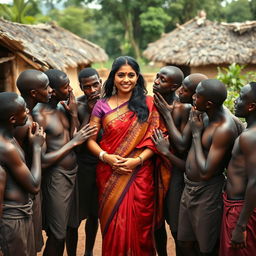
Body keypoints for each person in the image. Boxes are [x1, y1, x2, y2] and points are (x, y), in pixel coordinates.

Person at [87, 56, 161, 255]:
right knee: (113, 227)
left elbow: (155, 139)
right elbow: (90, 140)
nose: (126, 79)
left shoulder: (149, 104)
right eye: (121, 75)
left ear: (138, 77)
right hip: (109, 172)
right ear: (113, 77)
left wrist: (136, 161)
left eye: (131, 75)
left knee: (141, 227)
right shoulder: (101, 105)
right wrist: (106, 157)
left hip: (140, 174)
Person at [32, 69, 97, 256]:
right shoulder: (39, 115)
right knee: (57, 234)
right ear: (51, 90)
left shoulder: (63, 108)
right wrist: (73, 142)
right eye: (65, 86)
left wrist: (75, 115)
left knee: (71, 226)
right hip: (56, 178)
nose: (70, 89)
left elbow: (76, 141)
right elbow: (42, 161)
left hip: (73, 174)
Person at [178, 79, 240, 256]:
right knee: (184, 242)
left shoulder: (223, 128)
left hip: (207, 191)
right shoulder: (204, 114)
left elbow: (206, 172)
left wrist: (197, 135)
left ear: (209, 103)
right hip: (188, 186)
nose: (193, 97)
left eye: (197, 96)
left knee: (206, 247)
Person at [0, 92, 45, 256]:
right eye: (24, 110)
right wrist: (37, 148)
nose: (27, 111)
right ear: (12, 119)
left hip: (21, 213)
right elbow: (34, 186)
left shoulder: (10, 138)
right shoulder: (6, 147)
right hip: (13, 218)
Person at [15, 69, 52, 253]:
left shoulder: (26, 115)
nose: (50, 90)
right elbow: (41, 161)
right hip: (26, 189)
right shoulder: (26, 123)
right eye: (46, 87)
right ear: (34, 93)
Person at [66, 67, 102, 256]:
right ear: (80, 87)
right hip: (81, 167)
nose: (92, 90)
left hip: (103, 165)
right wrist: (78, 115)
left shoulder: (110, 104)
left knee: (94, 214)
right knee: (74, 217)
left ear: (101, 82)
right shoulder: (77, 106)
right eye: (87, 87)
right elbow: (77, 145)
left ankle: (88, 251)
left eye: (95, 84)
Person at [152, 66, 187, 256]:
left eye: (162, 80)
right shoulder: (149, 104)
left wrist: (167, 114)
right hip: (151, 171)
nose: (156, 81)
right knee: (156, 224)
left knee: (176, 225)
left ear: (173, 86)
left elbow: (181, 147)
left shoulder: (182, 108)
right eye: (157, 76)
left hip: (174, 172)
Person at [219, 82, 256, 256]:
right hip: (236, 207)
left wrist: (240, 226)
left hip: (240, 210)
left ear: (251, 106)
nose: (235, 100)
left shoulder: (250, 137)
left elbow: (254, 182)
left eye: (241, 97)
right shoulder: (247, 130)